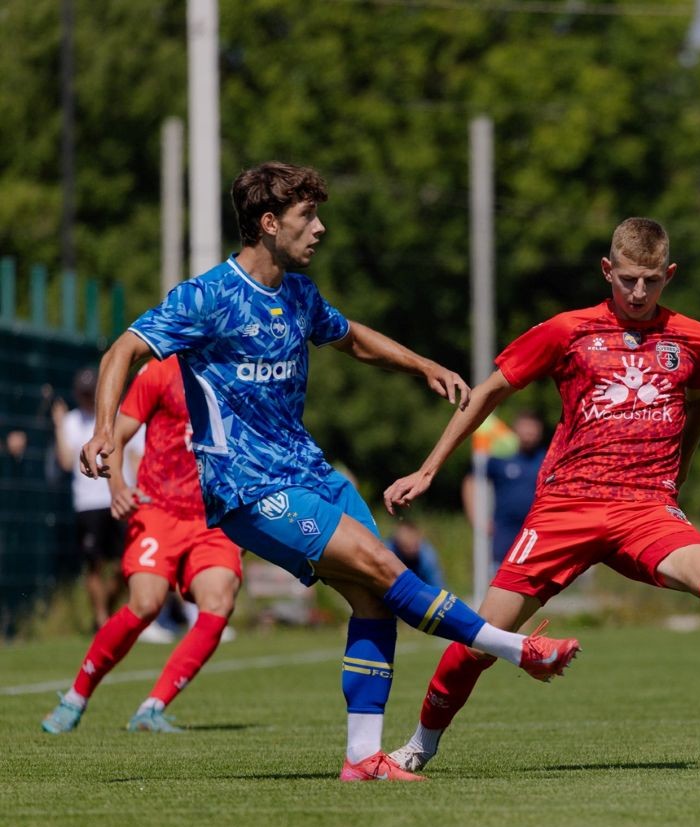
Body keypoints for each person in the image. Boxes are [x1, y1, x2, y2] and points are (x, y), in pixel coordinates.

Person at [78, 161, 580, 782]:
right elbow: (123, 349)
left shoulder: (298, 295)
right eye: (307, 216)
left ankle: (362, 758)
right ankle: (518, 649)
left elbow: (354, 339)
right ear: (269, 223)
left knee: (374, 599)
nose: (319, 228)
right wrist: (104, 429)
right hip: (248, 488)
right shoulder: (207, 296)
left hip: (311, 472)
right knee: (383, 567)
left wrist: (421, 364)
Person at [383, 217, 700, 772]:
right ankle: (417, 747)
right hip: (567, 506)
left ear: (669, 275)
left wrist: (678, 473)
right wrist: (428, 469)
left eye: (651, 281)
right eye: (628, 279)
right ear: (607, 270)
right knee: (479, 639)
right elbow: (489, 392)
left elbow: (699, 405)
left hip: (645, 506)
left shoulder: (695, 338)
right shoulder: (567, 330)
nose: (638, 292)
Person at [42, 355, 244, 734]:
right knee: (146, 602)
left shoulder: (237, 371)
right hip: (158, 508)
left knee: (219, 602)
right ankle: (76, 696)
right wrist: (117, 487)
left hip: (212, 515)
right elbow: (116, 437)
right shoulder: (159, 372)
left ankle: (152, 708)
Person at [52, 367, 141, 630]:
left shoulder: (120, 416)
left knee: (126, 565)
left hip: (119, 497)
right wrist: (58, 426)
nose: (87, 399)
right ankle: (102, 621)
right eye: (84, 393)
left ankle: (108, 612)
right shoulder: (71, 421)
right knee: (94, 565)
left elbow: (135, 456)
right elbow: (65, 461)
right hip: (88, 503)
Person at [462, 410, 548, 569]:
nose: (529, 432)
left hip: (538, 534)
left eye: (533, 427)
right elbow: (472, 481)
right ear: (515, 429)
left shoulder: (548, 459)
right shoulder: (501, 456)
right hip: (504, 535)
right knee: (500, 576)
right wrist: (476, 518)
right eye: (525, 427)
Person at [385, 519, 445, 589]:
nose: (411, 550)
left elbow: (437, 586)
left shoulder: (428, 556)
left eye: (414, 546)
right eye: (406, 547)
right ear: (397, 542)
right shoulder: (387, 552)